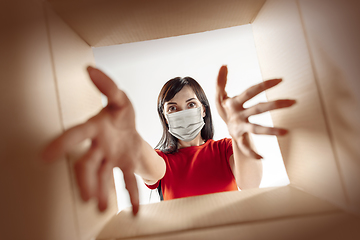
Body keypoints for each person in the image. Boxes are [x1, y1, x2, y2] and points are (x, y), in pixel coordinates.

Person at [42, 65, 296, 215]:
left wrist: (242, 138)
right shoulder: (162, 161)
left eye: (191, 104)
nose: (182, 112)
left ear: (204, 110)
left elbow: (250, 184)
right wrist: (129, 137)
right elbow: (147, 163)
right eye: (172, 108)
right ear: (164, 117)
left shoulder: (226, 149)